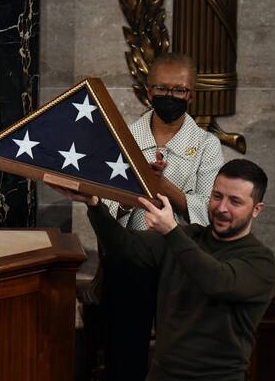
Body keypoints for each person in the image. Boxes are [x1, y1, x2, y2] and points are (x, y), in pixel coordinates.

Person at [56, 159, 275, 381]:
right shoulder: (188, 237)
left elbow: (217, 282)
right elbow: (123, 247)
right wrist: (94, 204)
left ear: (256, 210)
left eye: (235, 202)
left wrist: (171, 231)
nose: (221, 208)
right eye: (217, 196)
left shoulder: (261, 261)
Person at [90, 53, 225, 380]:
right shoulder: (123, 139)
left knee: (179, 351)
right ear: (148, 92)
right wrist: (135, 191)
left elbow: (210, 213)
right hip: (130, 257)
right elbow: (105, 209)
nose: (170, 96)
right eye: (161, 89)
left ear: (191, 94)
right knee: (124, 352)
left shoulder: (207, 145)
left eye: (179, 90)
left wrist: (161, 186)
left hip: (184, 260)